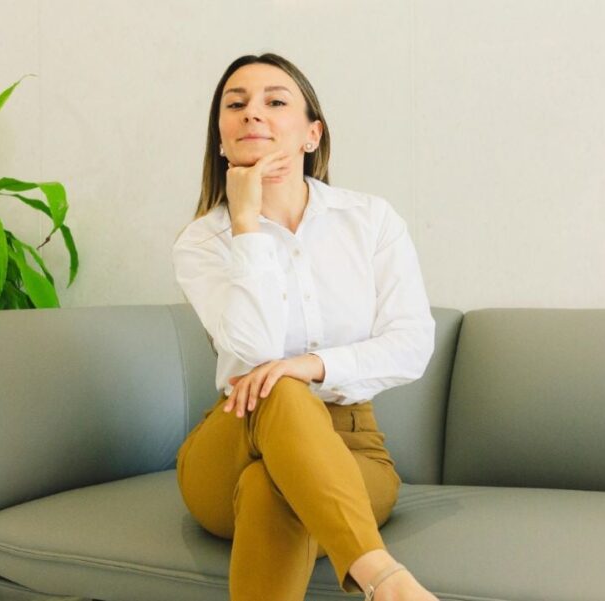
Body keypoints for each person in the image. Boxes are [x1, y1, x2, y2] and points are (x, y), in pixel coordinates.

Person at [172, 52, 440, 601]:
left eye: (275, 101)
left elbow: (412, 344)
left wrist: (312, 365)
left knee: (272, 488)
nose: (253, 113)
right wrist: (246, 225)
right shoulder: (203, 241)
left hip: (352, 448)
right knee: (276, 385)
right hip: (232, 440)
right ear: (221, 141)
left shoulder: (371, 221)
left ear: (311, 135)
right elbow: (254, 353)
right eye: (236, 105)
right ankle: (384, 578)